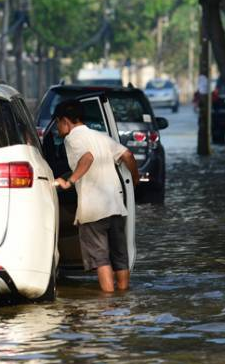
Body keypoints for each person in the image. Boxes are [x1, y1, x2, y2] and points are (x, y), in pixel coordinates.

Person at [53, 99, 140, 293]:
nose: (58, 128)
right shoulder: (101, 136)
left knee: (101, 260)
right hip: (116, 206)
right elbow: (128, 155)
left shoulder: (72, 139)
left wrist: (70, 181)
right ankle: (122, 299)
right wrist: (134, 180)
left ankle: (107, 305)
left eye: (58, 123)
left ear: (65, 121)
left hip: (93, 210)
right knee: (119, 257)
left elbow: (87, 158)